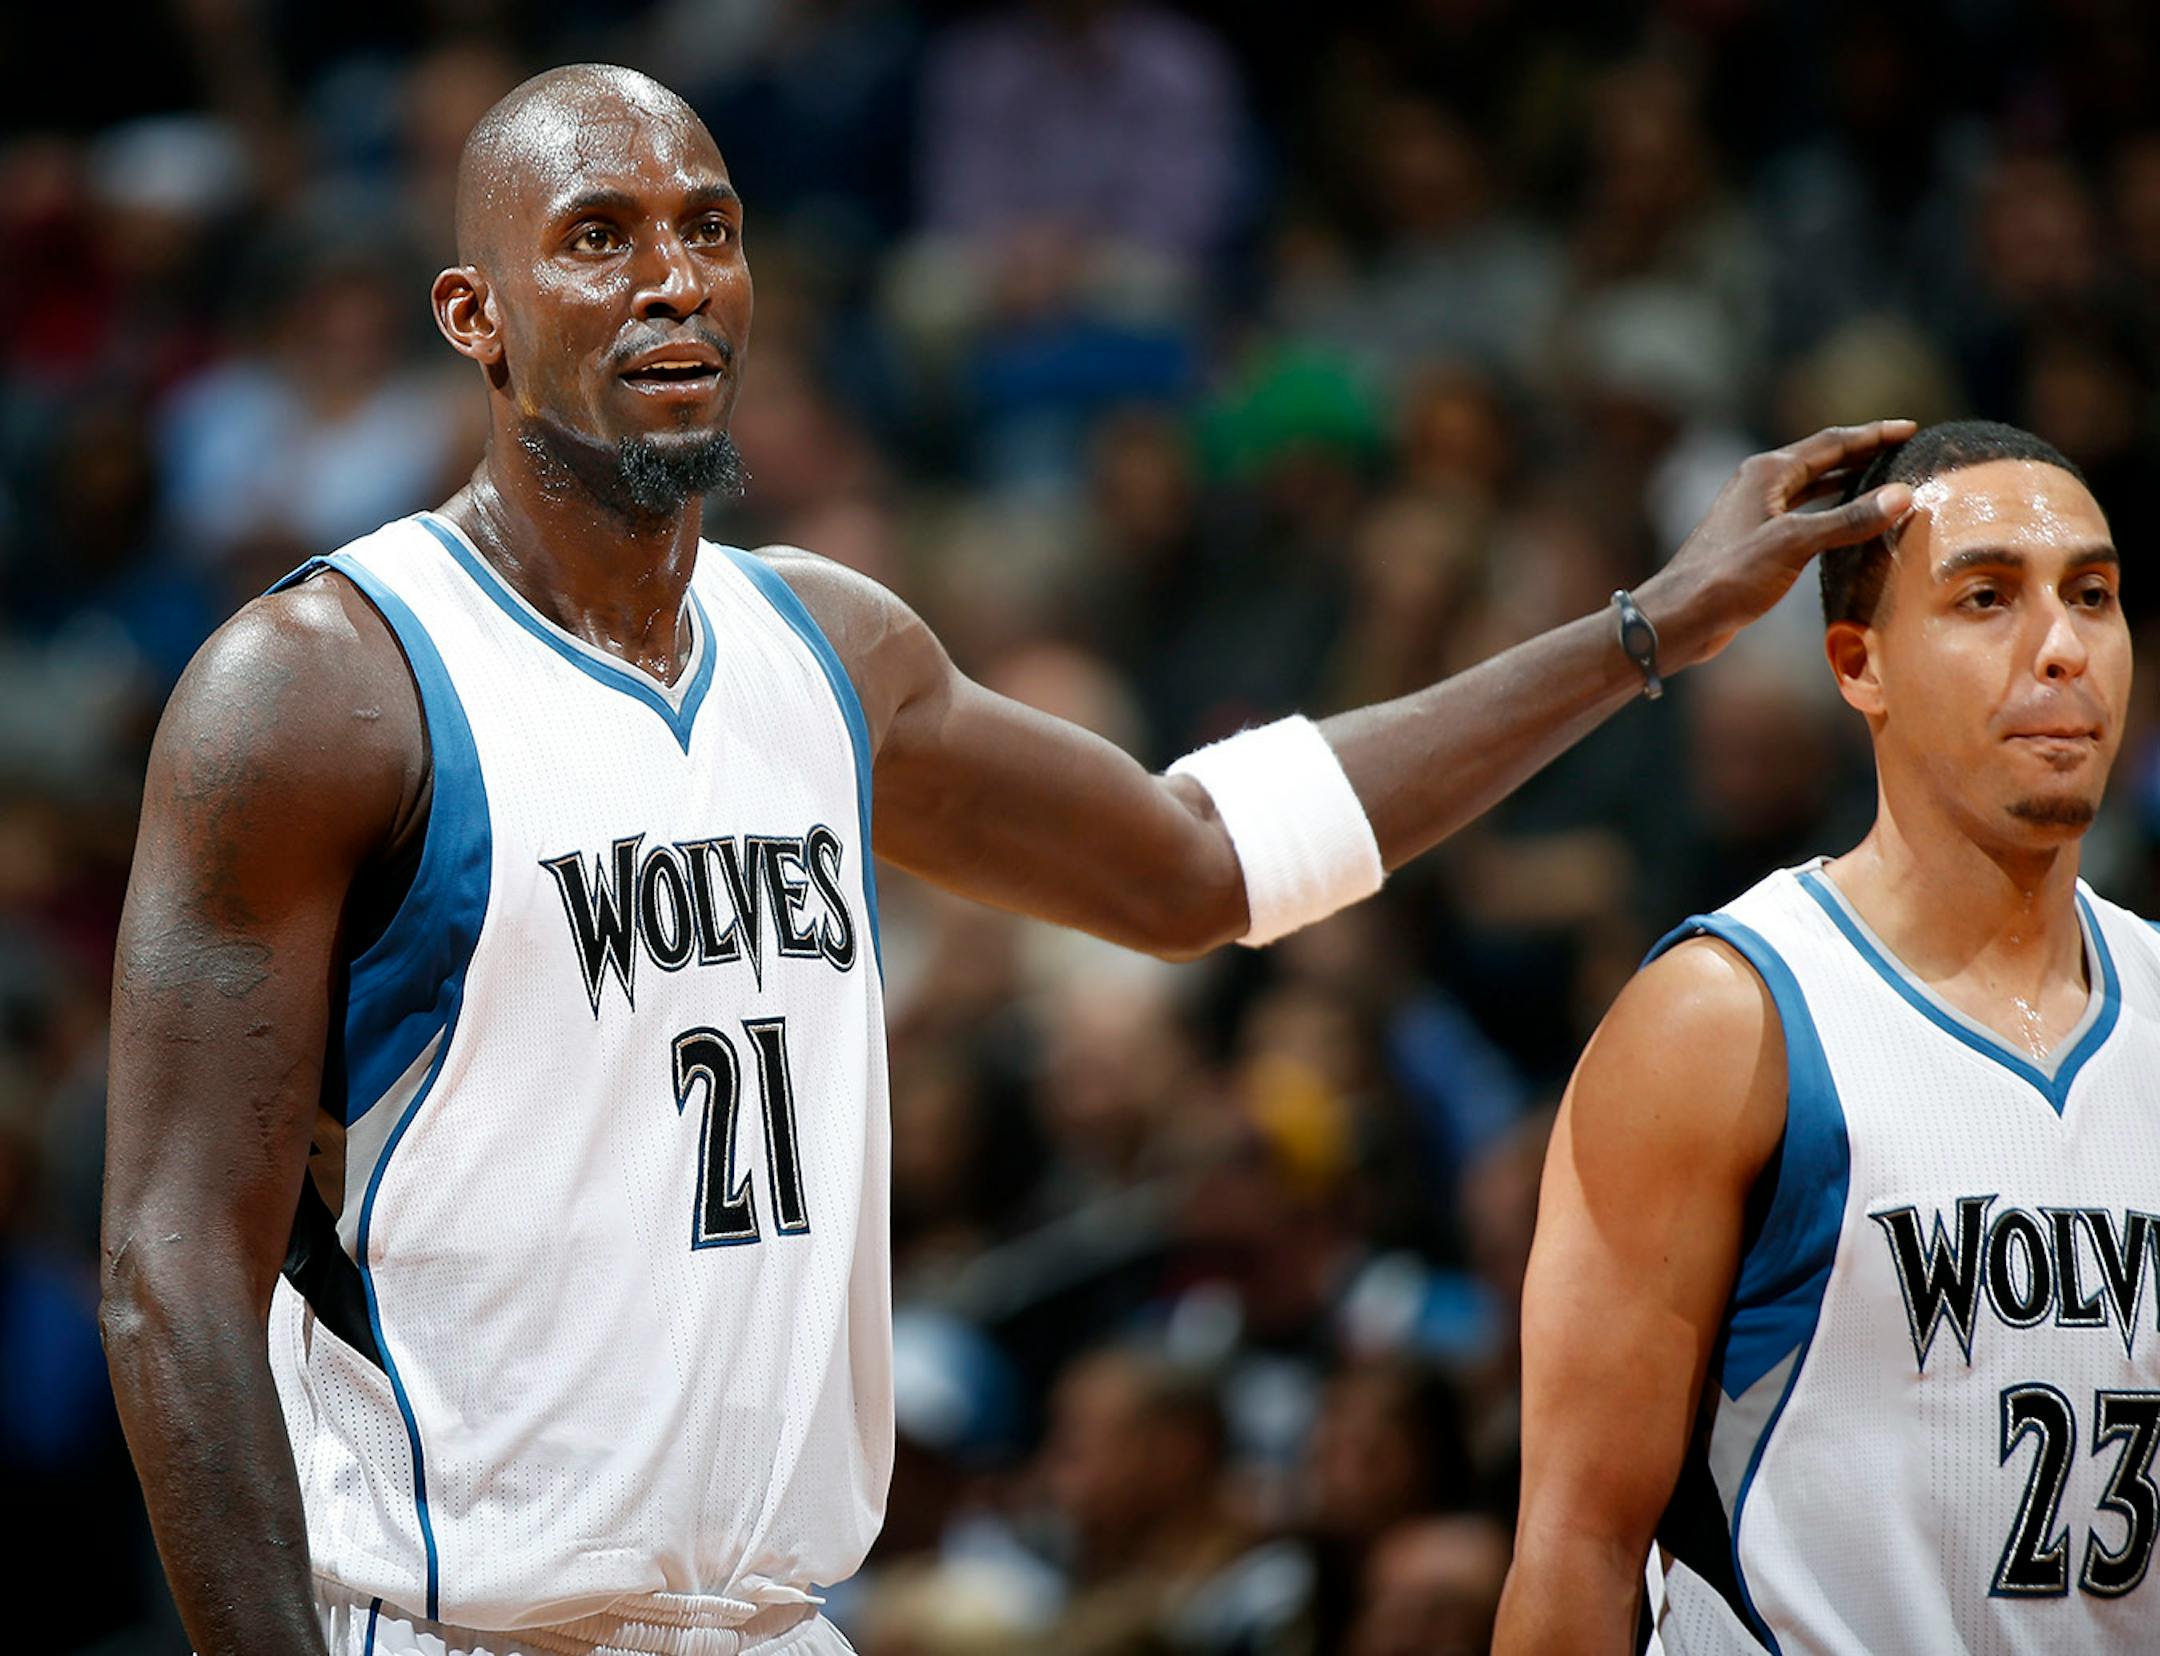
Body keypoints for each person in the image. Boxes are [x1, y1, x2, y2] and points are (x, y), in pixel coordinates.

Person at [99, 63, 1913, 1656]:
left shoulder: (836, 653)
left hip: (781, 1622)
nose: (673, 279)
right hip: (449, 1623)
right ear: (473, 312)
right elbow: (172, 1265)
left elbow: (1205, 857)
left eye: (710, 228)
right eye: (598, 235)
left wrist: (1645, 628)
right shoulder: (326, 690)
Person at [1496, 420, 2160, 1653]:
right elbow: (1576, 1549)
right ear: (1860, 665)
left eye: (2095, 595)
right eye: (1985, 598)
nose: (2062, 647)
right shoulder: (1721, 1017)